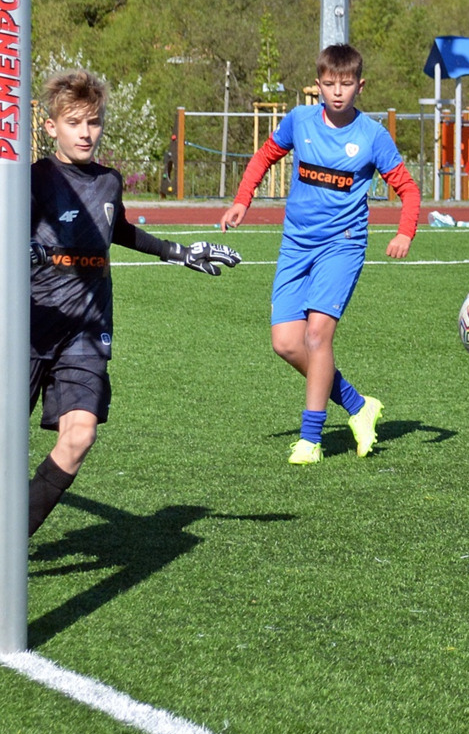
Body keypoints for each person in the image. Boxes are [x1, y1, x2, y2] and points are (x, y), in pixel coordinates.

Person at [29, 69, 241, 536]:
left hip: (86, 333)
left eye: (94, 122)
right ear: (51, 127)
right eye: (74, 123)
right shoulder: (32, 180)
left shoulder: (109, 182)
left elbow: (117, 230)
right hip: (30, 329)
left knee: (79, 437)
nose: (85, 133)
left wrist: (178, 252)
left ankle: (11, 534)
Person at [220, 44, 421, 465]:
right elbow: (264, 156)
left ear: (360, 86)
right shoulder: (299, 120)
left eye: (346, 84)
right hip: (296, 244)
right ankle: (358, 404)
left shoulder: (372, 136)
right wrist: (242, 200)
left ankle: (311, 441)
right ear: (318, 85)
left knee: (316, 336)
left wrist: (405, 232)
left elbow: (408, 188)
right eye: (329, 84)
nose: (337, 92)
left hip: (342, 244)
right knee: (286, 343)